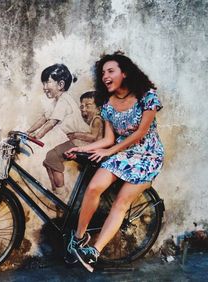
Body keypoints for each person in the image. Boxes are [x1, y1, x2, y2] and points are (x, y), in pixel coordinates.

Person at [64, 52, 164, 272]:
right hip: (120, 153)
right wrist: (80, 149)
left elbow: (140, 133)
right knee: (93, 188)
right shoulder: (108, 105)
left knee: (121, 203)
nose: (105, 76)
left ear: (125, 73)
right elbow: (108, 139)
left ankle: (94, 252)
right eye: (103, 73)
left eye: (111, 71)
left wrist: (109, 153)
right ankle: (79, 239)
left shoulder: (147, 96)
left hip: (147, 155)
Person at [26, 64, 93, 198]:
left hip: (83, 142)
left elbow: (52, 122)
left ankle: (62, 195)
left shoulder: (64, 101)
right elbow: (44, 118)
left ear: (61, 84)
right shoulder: (57, 101)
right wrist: (27, 132)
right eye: (43, 83)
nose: (44, 88)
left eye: (48, 82)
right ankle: (56, 191)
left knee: (52, 157)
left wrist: (37, 135)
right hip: (75, 141)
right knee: (48, 161)